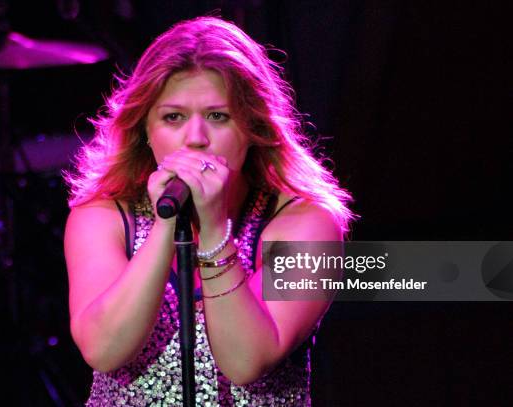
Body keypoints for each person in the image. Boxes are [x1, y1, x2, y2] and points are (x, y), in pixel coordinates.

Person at [64, 16, 354, 406]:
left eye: (218, 117)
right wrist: (167, 226)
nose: (196, 139)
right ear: (145, 131)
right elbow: (104, 349)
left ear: (253, 128)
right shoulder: (101, 217)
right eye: (173, 118)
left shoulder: (306, 224)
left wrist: (215, 230)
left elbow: (246, 361)